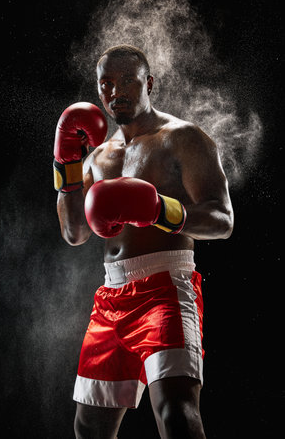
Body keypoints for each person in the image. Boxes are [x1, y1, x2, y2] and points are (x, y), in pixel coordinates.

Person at [53, 44, 234, 439]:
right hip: (111, 296)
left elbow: (222, 220)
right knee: (89, 428)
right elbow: (74, 232)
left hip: (165, 289)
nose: (115, 91)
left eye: (127, 82)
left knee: (175, 414)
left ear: (149, 83)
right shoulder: (97, 157)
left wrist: (160, 211)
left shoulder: (183, 138)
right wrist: (65, 162)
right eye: (106, 84)